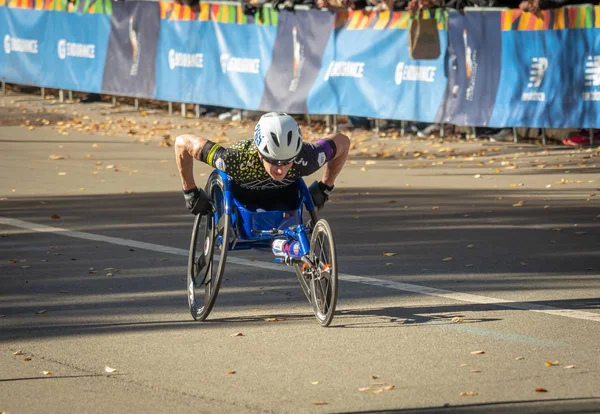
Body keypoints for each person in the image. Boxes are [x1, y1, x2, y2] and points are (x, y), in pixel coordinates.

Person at [174, 112, 350, 215]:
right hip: (241, 195)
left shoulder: (307, 158)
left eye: (287, 162)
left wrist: (325, 187)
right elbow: (182, 142)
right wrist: (190, 191)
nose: (280, 169)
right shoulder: (236, 160)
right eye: (273, 161)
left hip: (284, 194)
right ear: (260, 153)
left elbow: (342, 141)